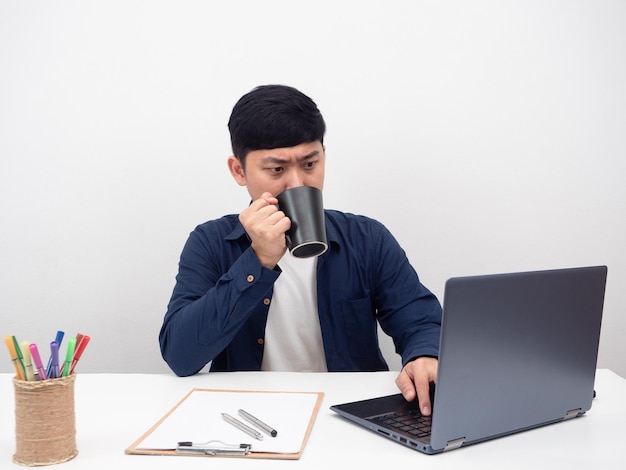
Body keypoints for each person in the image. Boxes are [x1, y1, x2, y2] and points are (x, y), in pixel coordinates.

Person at [159, 85, 442, 416]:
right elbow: (180, 355)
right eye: (276, 169)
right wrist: (258, 261)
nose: (297, 184)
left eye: (310, 164)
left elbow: (420, 320)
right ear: (239, 171)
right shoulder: (211, 241)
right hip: (247, 414)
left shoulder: (367, 238)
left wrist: (425, 354)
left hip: (348, 414)